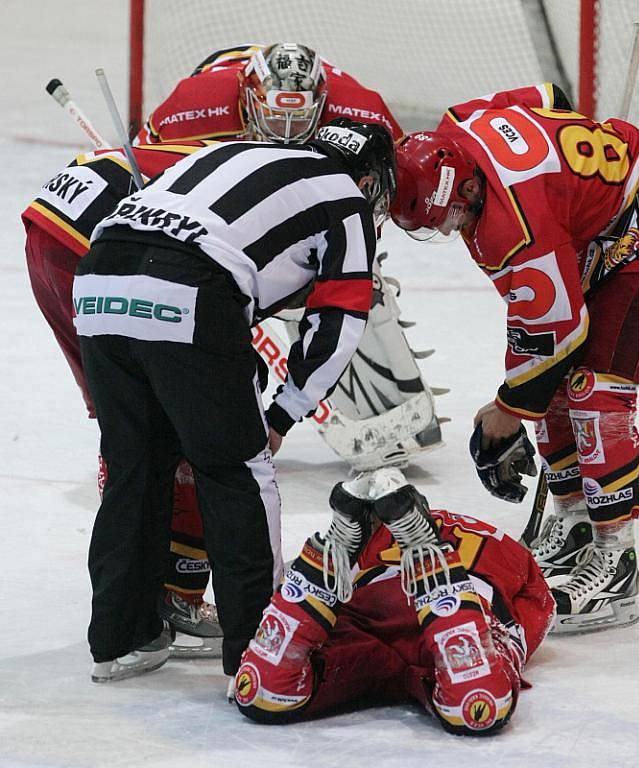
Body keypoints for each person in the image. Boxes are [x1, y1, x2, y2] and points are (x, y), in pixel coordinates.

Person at [72, 119, 397, 682]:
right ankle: (259, 653)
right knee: (238, 471)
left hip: (97, 279)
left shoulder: (234, 149)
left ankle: (121, 640)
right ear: (369, 179)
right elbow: (339, 321)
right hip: (190, 288)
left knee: (135, 465)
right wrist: (281, 413)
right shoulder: (345, 198)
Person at [390, 83, 639, 633]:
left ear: (468, 184)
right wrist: (575, 178)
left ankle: (616, 561)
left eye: (452, 216)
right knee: (554, 384)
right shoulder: (459, 124)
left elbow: (555, 335)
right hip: (609, 216)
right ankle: (574, 519)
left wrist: (506, 412)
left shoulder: (513, 224)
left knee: (595, 390)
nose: (453, 229)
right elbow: (550, 95)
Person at [22, 140, 225, 650]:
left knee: (126, 418)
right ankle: (171, 590)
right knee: (172, 424)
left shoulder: (216, 146)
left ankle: (139, 588)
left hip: (46, 235)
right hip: (88, 251)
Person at [231, 467, 554, 735]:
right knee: (478, 708)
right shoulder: (510, 549)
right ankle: (432, 566)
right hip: (460, 604)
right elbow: (539, 605)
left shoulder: (381, 530)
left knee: (262, 694)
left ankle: (332, 552)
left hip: (373, 607)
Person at [135, 42, 403, 145]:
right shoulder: (195, 102)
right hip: (225, 69)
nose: (285, 134)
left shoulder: (362, 111)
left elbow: (396, 174)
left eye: (299, 118)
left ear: (322, 103)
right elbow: (144, 153)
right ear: (246, 100)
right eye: (274, 117)